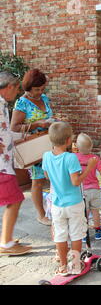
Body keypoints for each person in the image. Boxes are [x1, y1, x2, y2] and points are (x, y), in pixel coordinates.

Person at [42, 122, 98, 276]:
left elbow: (47, 176)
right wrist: (89, 167)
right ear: (68, 140)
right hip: (74, 203)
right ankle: (75, 264)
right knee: (76, 234)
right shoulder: (71, 158)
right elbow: (76, 181)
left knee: (60, 235)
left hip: (57, 204)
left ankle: (63, 266)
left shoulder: (46, 156)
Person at [11, 69, 55, 226]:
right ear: (27, 88)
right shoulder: (21, 103)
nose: (40, 92)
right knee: (37, 181)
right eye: (37, 89)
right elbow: (14, 127)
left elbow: (48, 116)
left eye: (42, 89)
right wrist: (38, 124)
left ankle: (54, 209)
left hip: (50, 143)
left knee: (53, 177)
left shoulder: (44, 98)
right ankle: (41, 215)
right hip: (35, 147)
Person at [0, 72, 33, 256]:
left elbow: (5, 132)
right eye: (17, 88)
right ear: (10, 87)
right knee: (15, 199)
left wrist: (24, 137)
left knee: (13, 199)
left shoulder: (3, 104)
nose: (18, 92)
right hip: (1, 166)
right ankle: (6, 243)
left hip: (5, 162)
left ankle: (6, 238)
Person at [75, 133, 101, 241]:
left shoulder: (74, 157)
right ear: (91, 147)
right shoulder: (95, 158)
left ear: (77, 146)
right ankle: (98, 232)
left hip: (82, 191)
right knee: (95, 211)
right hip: (95, 190)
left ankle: (84, 235)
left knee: (84, 213)